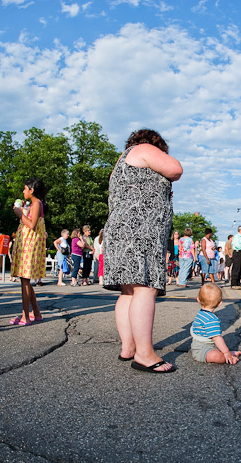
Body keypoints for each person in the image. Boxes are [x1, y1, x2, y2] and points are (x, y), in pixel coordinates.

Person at [103, 128, 182, 373]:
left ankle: (128, 347)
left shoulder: (119, 166)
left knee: (128, 290)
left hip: (119, 229)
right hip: (140, 229)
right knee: (145, 287)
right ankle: (144, 354)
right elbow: (176, 169)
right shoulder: (144, 149)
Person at [10, 178, 47, 325]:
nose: (23, 191)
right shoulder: (33, 204)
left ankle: (25, 316)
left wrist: (20, 214)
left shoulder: (37, 203)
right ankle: (36, 313)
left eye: (25, 189)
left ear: (32, 190)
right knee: (25, 280)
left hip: (29, 245)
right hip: (27, 244)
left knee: (25, 280)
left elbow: (32, 224)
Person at [190, 282, 241, 364]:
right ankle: (227, 357)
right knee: (215, 356)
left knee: (215, 352)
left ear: (198, 299)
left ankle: (224, 353)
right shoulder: (211, 319)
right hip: (201, 350)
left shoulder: (201, 313)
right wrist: (226, 352)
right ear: (219, 303)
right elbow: (217, 338)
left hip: (200, 345)